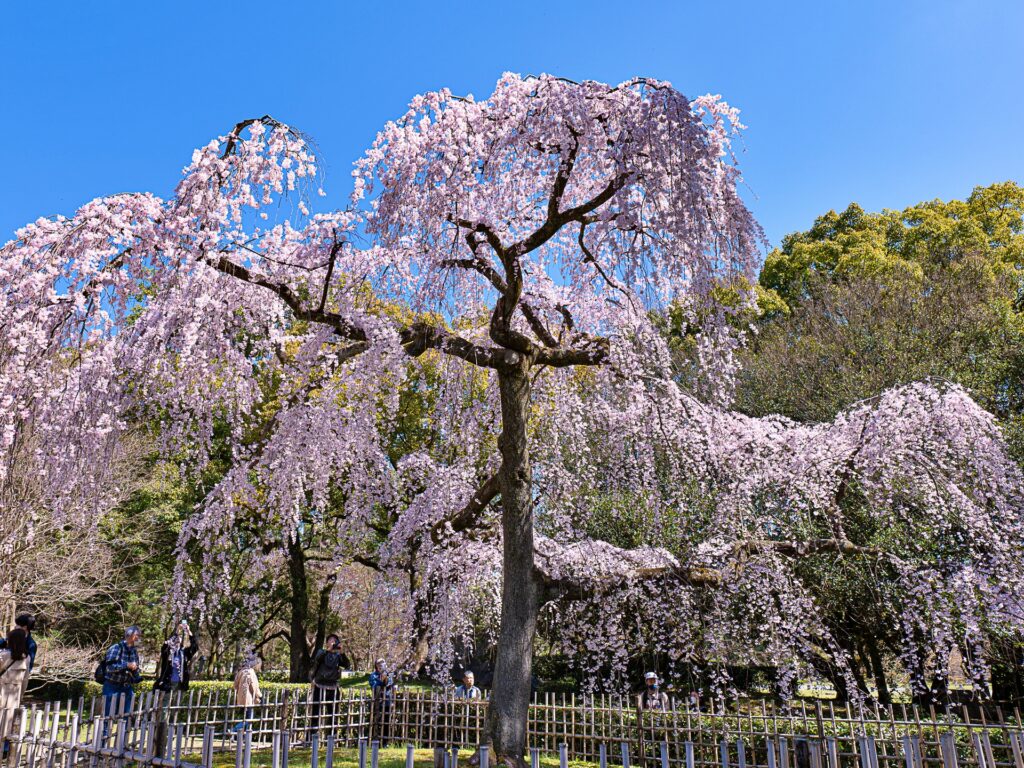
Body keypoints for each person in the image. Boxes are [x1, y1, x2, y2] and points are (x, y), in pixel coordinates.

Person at [102, 626, 143, 722]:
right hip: (112, 686)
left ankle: (123, 736)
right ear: (130, 635)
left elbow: (135, 667)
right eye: (137, 635)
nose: (139, 638)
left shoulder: (134, 651)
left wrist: (136, 671)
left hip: (127, 687)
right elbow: (109, 667)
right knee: (108, 716)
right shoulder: (116, 648)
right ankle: (104, 735)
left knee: (127, 716)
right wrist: (127, 665)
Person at [0, 628, 30, 743]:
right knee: (7, 728)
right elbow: (25, 680)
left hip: (1, 691)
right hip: (14, 697)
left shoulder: (3, 655)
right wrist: (20, 696)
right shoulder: (27, 658)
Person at [309, 634, 344, 733]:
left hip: (333, 686)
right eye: (330, 640)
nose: (333, 642)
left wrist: (342, 653)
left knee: (333, 714)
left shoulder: (338, 655)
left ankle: (331, 737)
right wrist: (328, 651)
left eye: (335, 641)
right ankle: (312, 737)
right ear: (327, 642)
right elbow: (317, 660)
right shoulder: (321, 652)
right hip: (319, 684)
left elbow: (346, 664)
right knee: (316, 713)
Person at [155, 620, 199, 694]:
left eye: (179, 639)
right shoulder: (168, 652)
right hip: (168, 682)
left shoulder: (184, 652)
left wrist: (189, 632)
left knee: (177, 704)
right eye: (176, 639)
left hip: (181, 683)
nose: (178, 639)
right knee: (166, 702)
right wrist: (177, 631)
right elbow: (166, 645)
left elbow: (194, 647)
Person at [0, 615, 36, 698]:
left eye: (18, 624)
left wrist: (20, 695)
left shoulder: (31, 644)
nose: (15, 626)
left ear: (25, 627)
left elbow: (27, 671)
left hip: (14, 689)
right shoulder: (9, 639)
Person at [233, 653, 262, 732]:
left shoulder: (241, 671)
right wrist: (259, 696)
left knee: (245, 717)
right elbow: (253, 686)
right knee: (249, 719)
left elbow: (235, 685)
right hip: (249, 698)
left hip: (240, 698)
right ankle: (234, 730)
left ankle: (241, 735)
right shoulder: (250, 672)